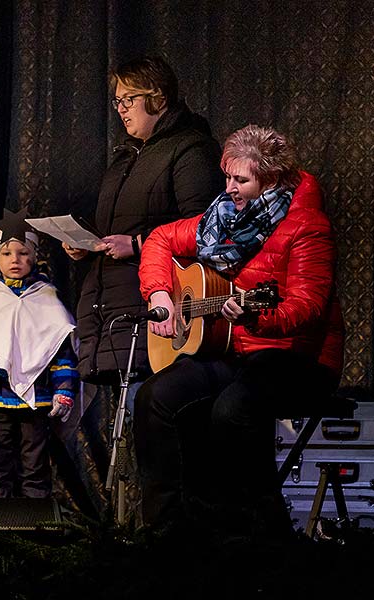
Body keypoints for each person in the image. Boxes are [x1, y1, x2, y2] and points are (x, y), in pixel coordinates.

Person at [134, 125, 344, 535]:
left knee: (232, 410)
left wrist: (257, 318)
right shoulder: (223, 217)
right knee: (155, 397)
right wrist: (160, 294)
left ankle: (261, 535)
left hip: (298, 357)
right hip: (236, 351)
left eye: (241, 180)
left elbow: (309, 305)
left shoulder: (306, 226)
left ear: (272, 179)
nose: (229, 187)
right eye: (227, 177)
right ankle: (169, 535)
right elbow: (159, 239)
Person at [61, 56, 223, 518]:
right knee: (131, 429)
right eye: (117, 101)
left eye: (128, 99)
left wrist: (134, 243)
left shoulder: (190, 150)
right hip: (115, 304)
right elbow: (128, 221)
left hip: (163, 306)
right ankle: (138, 527)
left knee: (159, 425)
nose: (121, 109)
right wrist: (90, 242)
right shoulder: (127, 156)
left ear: (158, 97)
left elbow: (202, 225)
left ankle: (170, 530)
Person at [0, 210, 78, 498]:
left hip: (36, 400)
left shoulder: (46, 297)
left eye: (23, 253)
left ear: (33, 256)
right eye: (7, 253)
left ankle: (35, 536)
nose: (15, 260)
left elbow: (60, 350)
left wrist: (64, 390)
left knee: (35, 469)